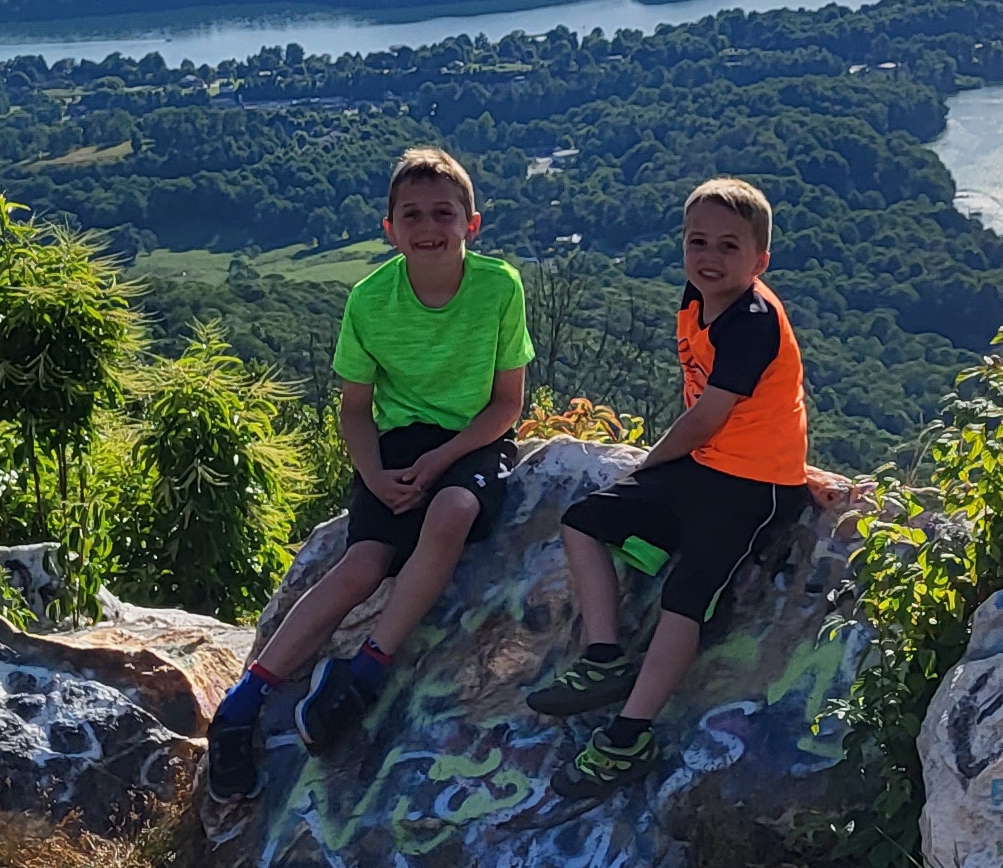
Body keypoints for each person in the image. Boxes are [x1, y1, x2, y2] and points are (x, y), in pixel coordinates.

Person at [206, 146, 530, 792]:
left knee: (454, 511)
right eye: (412, 214)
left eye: (444, 212)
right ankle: (240, 706)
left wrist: (443, 460)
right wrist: (376, 475)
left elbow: (507, 403)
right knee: (359, 565)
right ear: (389, 229)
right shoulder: (369, 299)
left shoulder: (499, 286)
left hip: (473, 440)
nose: (429, 226)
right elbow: (355, 409)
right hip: (398, 443)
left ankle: (365, 671)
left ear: (473, 222)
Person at [525, 176, 814, 791]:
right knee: (584, 521)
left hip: (753, 485)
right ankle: (604, 657)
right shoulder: (697, 296)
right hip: (704, 466)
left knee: (686, 601)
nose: (709, 258)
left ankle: (628, 740)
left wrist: (649, 463)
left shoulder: (752, 321)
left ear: (760, 260)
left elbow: (711, 413)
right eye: (697, 241)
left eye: (729, 247)